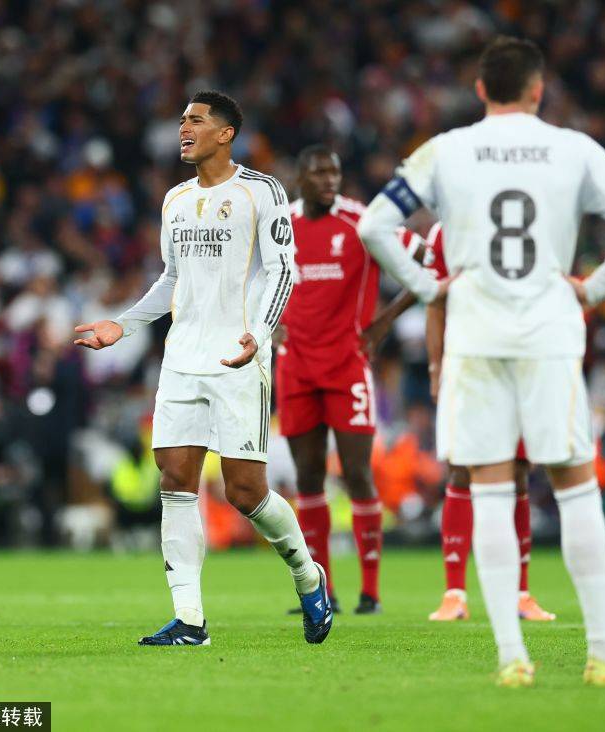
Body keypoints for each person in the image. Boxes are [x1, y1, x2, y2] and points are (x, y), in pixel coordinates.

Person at [357, 36, 605, 687]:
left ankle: (511, 658)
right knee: (576, 487)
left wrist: (431, 286)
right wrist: (597, 288)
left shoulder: (447, 149)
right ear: (537, 89)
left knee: (491, 489)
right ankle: (604, 655)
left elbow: (373, 226)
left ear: (479, 90)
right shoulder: (571, 148)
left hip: (474, 332)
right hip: (549, 329)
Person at [73, 91, 332, 646]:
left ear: (226, 133)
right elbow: (171, 279)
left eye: (196, 120)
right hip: (183, 359)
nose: (183, 128)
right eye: (181, 120)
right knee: (175, 478)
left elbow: (284, 270)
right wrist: (123, 325)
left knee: (245, 492)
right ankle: (190, 619)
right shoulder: (175, 199)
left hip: (238, 355)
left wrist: (260, 333)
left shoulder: (262, 191)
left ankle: (308, 574)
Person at [277, 145, 417, 615]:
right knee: (308, 477)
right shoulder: (280, 224)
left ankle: (371, 592)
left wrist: (385, 321)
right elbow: (251, 277)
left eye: (334, 172)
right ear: (300, 178)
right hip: (295, 366)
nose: (329, 180)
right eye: (319, 173)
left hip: (346, 366)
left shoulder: (363, 221)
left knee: (357, 473)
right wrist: (268, 323)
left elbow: (425, 258)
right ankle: (324, 590)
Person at [405, 223, 555, 623]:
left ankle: (521, 594)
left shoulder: (526, 221)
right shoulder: (445, 231)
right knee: (460, 469)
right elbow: (435, 303)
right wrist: (436, 367)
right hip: (465, 367)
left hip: (518, 365)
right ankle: (454, 594)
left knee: (518, 472)